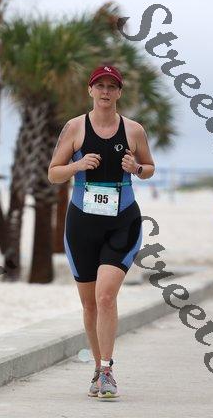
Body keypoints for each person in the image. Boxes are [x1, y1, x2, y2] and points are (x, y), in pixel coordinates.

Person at [48, 65, 155, 398]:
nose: (105, 91)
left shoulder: (134, 130)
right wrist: (78, 165)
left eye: (112, 86)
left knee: (106, 296)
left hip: (122, 221)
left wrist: (137, 167)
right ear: (90, 90)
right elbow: (53, 173)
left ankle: (107, 371)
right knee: (90, 304)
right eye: (100, 86)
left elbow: (149, 168)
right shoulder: (74, 128)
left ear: (119, 93)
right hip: (82, 224)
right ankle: (97, 369)